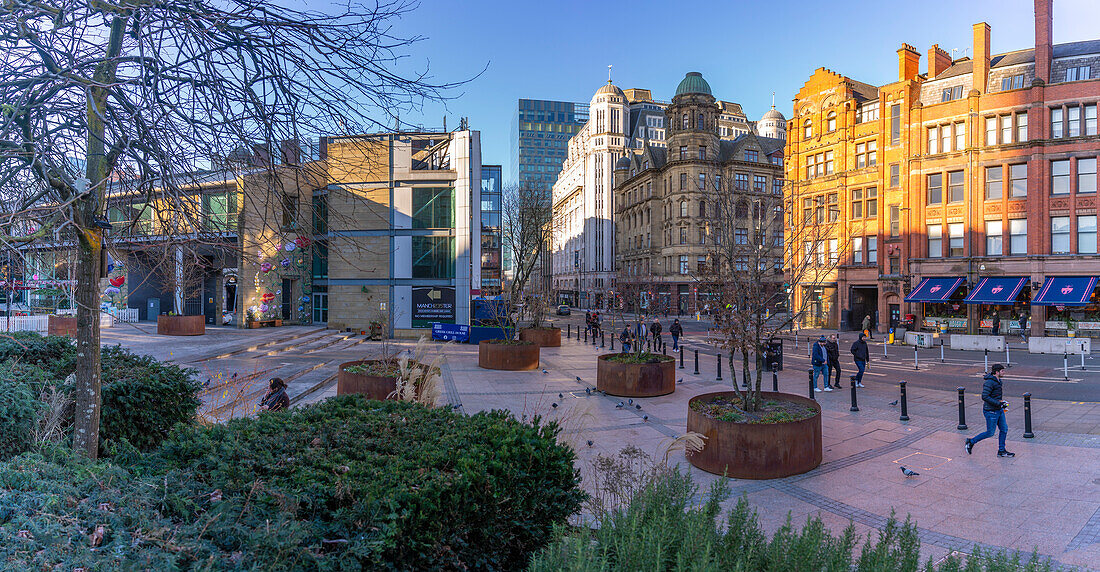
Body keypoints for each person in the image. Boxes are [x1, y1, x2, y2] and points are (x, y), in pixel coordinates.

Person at [965, 364, 1015, 457]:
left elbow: (995, 396)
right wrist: (998, 403)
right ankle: (971, 442)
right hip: (991, 411)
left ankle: (1001, 451)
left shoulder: (998, 381)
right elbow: (985, 396)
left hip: (999, 410)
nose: (1004, 372)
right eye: (1002, 371)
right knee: (990, 432)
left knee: (1004, 429)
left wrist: (1002, 403)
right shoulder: (989, 382)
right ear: (997, 372)